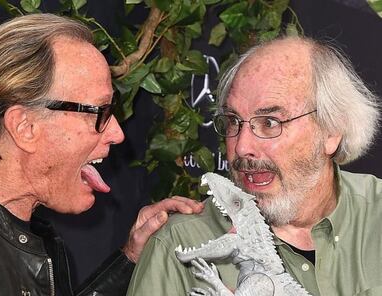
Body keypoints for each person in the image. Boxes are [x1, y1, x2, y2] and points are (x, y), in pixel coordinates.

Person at [0, 13, 204, 296]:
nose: (117, 133)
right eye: (99, 112)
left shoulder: (32, 234)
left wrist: (130, 258)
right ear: (25, 127)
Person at [127, 36, 382, 295]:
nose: (240, 146)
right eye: (233, 121)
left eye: (270, 122)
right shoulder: (179, 244)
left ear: (331, 131)